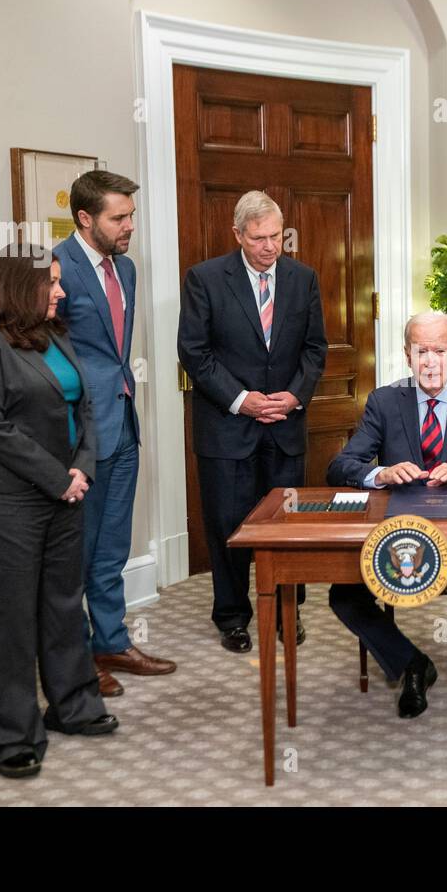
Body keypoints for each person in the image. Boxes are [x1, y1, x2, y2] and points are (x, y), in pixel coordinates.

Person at [0, 244, 118, 779]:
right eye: (51, 282)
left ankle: (73, 707)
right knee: (11, 615)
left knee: (64, 604)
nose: (61, 290)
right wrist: (57, 477)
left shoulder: (57, 336)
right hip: (8, 497)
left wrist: (83, 470)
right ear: (20, 286)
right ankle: (9, 738)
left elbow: (87, 408)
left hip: (68, 489)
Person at [327, 312, 447, 723]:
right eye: (421, 352)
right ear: (407, 355)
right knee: (343, 594)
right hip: (400, 536)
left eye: (439, 351)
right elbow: (341, 465)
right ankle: (412, 664)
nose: (430, 362)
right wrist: (380, 473)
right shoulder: (384, 400)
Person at [178, 191, 328, 653]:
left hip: (284, 425)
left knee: (287, 523)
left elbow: (315, 348)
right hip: (227, 428)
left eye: (276, 237)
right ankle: (232, 617)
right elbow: (194, 354)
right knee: (228, 524)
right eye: (259, 238)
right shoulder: (204, 279)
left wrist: (295, 394)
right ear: (238, 235)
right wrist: (242, 400)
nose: (270, 247)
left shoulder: (303, 279)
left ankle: (288, 610)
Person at [55, 170, 176, 697]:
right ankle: (79, 658)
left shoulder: (124, 269)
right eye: (118, 218)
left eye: (131, 215)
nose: (130, 226)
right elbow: (43, 350)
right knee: (78, 551)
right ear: (86, 218)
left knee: (112, 547)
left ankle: (111, 640)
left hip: (125, 422)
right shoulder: (55, 267)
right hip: (80, 431)